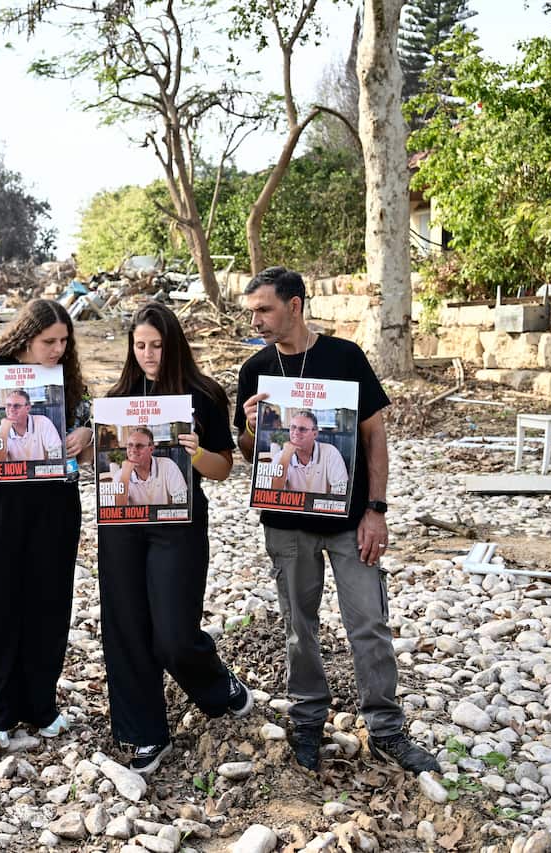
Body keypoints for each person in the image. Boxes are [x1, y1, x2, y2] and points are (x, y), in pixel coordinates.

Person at [235, 266, 438, 774]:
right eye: (252, 311)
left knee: (368, 621)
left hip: (350, 521)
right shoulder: (254, 370)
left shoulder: (345, 357)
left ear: (295, 305)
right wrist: (250, 428)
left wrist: (376, 509)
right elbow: (246, 453)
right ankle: (307, 721)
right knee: (298, 626)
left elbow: (374, 436)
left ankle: (387, 731)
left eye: (265, 309)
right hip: (285, 521)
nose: (256, 320)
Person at [98, 301, 252, 776]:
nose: (148, 354)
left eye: (158, 345)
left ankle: (216, 683)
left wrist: (198, 451)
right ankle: (144, 734)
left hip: (180, 526)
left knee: (172, 634)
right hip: (122, 526)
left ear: (175, 345)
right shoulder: (117, 398)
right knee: (126, 627)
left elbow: (224, 468)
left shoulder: (202, 393)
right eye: (140, 345)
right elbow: (104, 472)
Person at [0, 299, 93, 750]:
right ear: (26, 337)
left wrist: (86, 436)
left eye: (65, 342)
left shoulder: (69, 383)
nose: (58, 350)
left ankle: (40, 705)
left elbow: (85, 450)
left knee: (47, 604)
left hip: (53, 509)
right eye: (50, 341)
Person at [270, 410, 350, 494]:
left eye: (302, 429)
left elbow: (342, 489)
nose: (296, 432)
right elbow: (272, 492)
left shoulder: (330, 452)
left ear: (315, 434)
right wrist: (286, 457)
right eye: (293, 427)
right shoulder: (281, 456)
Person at [112, 426, 189, 506]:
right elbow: (118, 511)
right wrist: (125, 476)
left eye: (139, 446)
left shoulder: (168, 466)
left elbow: (182, 502)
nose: (133, 450)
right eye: (130, 445)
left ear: (151, 449)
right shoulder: (120, 475)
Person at [0, 388, 63, 462]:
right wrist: (4, 432)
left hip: (41, 471)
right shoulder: (0, 432)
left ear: (28, 408)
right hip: (16, 473)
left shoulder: (43, 422)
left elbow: (57, 454)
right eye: (8, 405)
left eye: (16, 406)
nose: (11, 409)